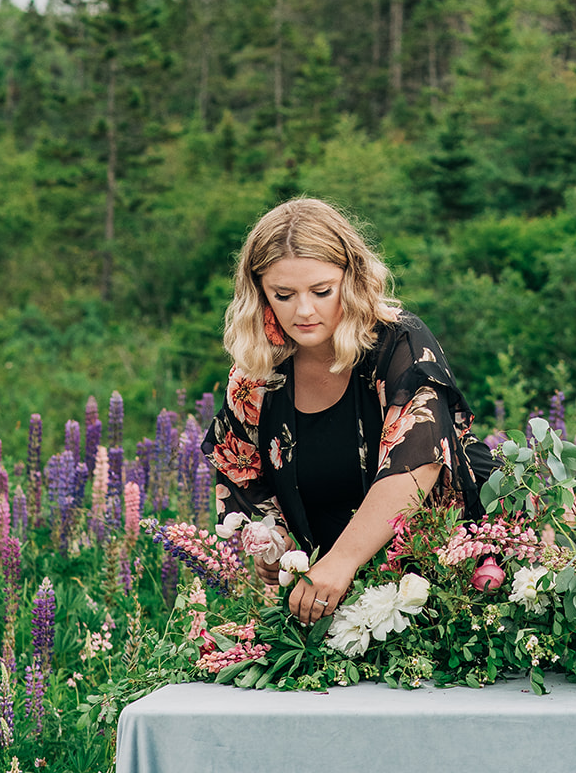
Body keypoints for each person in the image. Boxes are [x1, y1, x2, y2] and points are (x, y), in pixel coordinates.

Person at [201, 198, 492, 624]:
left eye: (321, 291)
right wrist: (273, 543)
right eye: (283, 294)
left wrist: (342, 561)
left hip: (459, 574)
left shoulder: (399, 342)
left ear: (351, 279)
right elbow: (243, 475)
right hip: (342, 603)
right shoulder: (256, 376)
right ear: (260, 293)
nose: (303, 310)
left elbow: (417, 463)